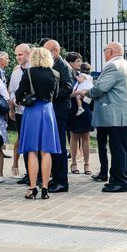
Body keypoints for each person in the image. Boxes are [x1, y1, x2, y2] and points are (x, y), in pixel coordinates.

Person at [85, 42, 127, 193]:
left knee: (118, 150)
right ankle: (119, 179)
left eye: (105, 50)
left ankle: (120, 182)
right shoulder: (124, 64)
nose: (104, 53)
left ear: (110, 51)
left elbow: (100, 88)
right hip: (122, 114)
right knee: (121, 150)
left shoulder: (113, 66)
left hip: (116, 116)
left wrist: (86, 92)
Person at [16, 47, 61, 199]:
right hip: (48, 111)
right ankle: (45, 188)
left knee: (32, 151)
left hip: (32, 112)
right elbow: (55, 94)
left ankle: (32, 187)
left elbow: (18, 94)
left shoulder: (28, 73)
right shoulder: (55, 74)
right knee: (46, 151)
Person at [42, 40, 74, 193]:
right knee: (53, 145)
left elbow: (68, 88)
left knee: (59, 146)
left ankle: (62, 181)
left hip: (59, 110)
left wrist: (50, 94)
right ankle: (55, 177)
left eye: (46, 51)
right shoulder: (52, 64)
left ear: (55, 51)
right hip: (52, 109)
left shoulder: (63, 66)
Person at [66, 53, 94, 175]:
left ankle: (87, 164)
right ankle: (73, 163)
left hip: (85, 104)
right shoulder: (68, 74)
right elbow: (66, 93)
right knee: (74, 135)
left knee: (86, 134)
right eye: (77, 61)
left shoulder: (82, 75)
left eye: (80, 61)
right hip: (73, 105)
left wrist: (85, 92)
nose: (79, 64)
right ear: (70, 62)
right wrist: (77, 92)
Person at [8, 44, 31, 182]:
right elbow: (11, 90)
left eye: (20, 55)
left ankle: (37, 172)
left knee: (33, 142)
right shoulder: (16, 72)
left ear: (28, 54)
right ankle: (29, 173)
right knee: (23, 140)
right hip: (20, 111)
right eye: (16, 55)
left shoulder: (34, 70)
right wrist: (13, 101)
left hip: (32, 111)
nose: (17, 58)